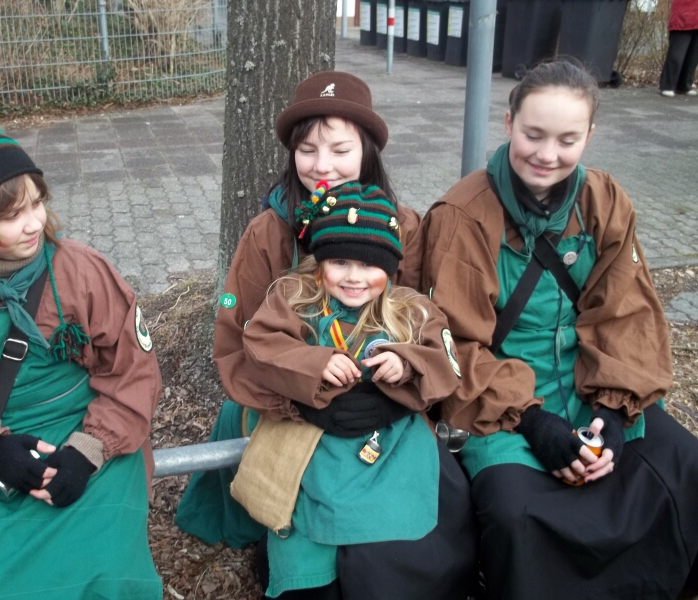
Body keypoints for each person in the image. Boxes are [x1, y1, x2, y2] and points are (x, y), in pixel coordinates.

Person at [421, 59, 698, 598]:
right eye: (533, 135)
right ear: (509, 124)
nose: (547, 155)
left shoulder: (605, 201)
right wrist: (535, 424)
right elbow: (454, 343)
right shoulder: (462, 215)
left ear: (589, 136)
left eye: (567, 140)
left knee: (683, 467)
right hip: (499, 404)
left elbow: (626, 315)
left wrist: (611, 414)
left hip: (591, 383)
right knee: (516, 513)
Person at [0, 121, 163, 599]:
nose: (34, 223)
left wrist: (87, 451)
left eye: (37, 202)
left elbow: (131, 372)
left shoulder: (82, 270)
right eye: (10, 215)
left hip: (93, 439)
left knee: (106, 576)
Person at [175, 71, 428, 549]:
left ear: (367, 152)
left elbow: (424, 325)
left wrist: (393, 397)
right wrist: (298, 399)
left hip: (381, 401)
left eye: (340, 149)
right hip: (285, 399)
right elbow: (235, 341)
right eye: (307, 150)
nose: (321, 166)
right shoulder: (266, 233)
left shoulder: (405, 227)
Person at [239, 180, 476, 599]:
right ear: (319, 261)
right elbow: (261, 343)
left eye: (369, 265)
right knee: (308, 531)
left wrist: (407, 362)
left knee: (401, 526)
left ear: (391, 267)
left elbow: (446, 360)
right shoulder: (295, 298)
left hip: (390, 441)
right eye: (340, 261)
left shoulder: (410, 308)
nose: (353, 277)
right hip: (313, 439)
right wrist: (313, 363)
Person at [659, 0, 698, 97]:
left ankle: (684, 85)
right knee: (677, 54)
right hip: (684, 13)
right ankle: (668, 85)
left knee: (693, 56)